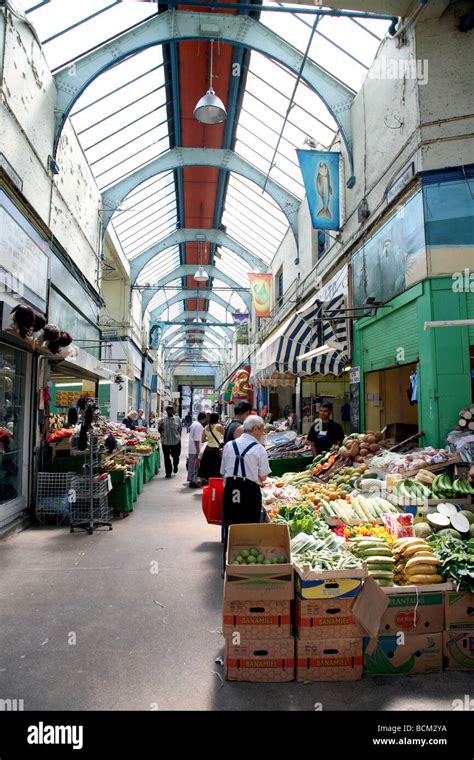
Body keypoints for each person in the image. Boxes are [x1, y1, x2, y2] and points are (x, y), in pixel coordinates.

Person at [220, 415, 271, 574]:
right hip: (250, 492)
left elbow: (223, 471)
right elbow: (263, 477)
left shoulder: (229, 445)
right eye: (262, 430)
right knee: (249, 527)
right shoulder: (259, 449)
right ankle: (247, 568)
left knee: (231, 527)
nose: (262, 433)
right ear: (255, 429)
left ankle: (228, 567)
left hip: (231, 490)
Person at [198, 412, 225, 484]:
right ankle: (214, 487)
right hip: (216, 451)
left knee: (207, 469)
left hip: (207, 450)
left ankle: (208, 484)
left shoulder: (206, 427)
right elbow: (225, 436)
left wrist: (209, 439)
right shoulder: (219, 426)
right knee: (216, 469)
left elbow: (203, 440)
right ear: (217, 418)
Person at [158, 404, 183, 478]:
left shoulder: (177, 419)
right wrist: (161, 427)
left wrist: (179, 438)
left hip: (175, 441)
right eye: (168, 409)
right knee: (166, 457)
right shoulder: (162, 420)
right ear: (166, 411)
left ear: (173, 410)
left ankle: (175, 465)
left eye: (171, 409)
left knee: (176, 456)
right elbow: (159, 430)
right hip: (165, 441)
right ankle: (168, 472)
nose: (169, 411)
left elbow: (180, 429)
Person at [188, 412, 207, 487]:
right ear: (204, 419)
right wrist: (198, 452)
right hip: (195, 449)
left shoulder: (194, 423)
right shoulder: (199, 426)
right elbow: (197, 440)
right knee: (195, 466)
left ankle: (191, 479)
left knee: (191, 465)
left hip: (192, 448)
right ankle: (193, 480)